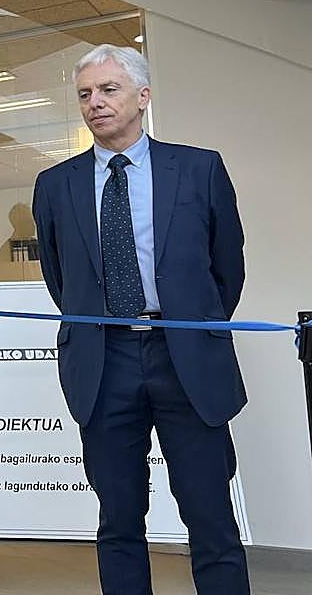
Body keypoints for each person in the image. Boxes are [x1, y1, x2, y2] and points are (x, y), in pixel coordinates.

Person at [32, 44, 249, 594]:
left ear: (143, 96)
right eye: (85, 94)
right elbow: (62, 281)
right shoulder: (55, 185)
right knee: (118, 522)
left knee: (211, 520)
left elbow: (227, 268)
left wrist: (188, 325)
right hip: (105, 363)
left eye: (109, 90)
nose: (95, 103)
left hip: (186, 359)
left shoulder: (199, 168)